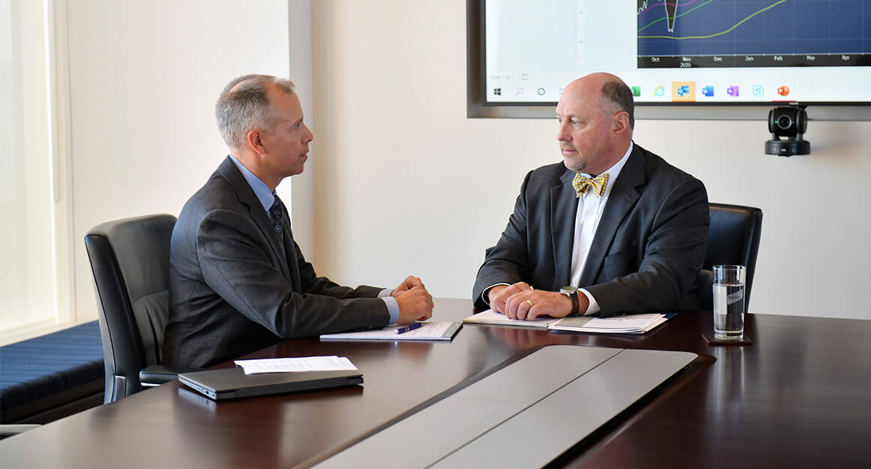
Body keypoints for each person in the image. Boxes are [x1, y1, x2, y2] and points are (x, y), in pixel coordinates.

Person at [164, 74, 433, 369]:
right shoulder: (218, 219)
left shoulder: (261, 199)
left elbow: (305, 287)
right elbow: (285, 314)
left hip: (263, 363)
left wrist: (387, 297)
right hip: (216, 381)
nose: (309, 135)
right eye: (296, 126)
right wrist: (392, 310)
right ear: (258, 141)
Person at [472, 72, 708, 320]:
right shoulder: (539, 184)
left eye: (575, 122)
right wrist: (500, 292)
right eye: (559, 120)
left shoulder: (677, 192)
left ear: (619, 124)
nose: (561, 135)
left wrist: (572, 302)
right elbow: (502, 259)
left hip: (632, 348)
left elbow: (663, 282)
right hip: (542, 340)